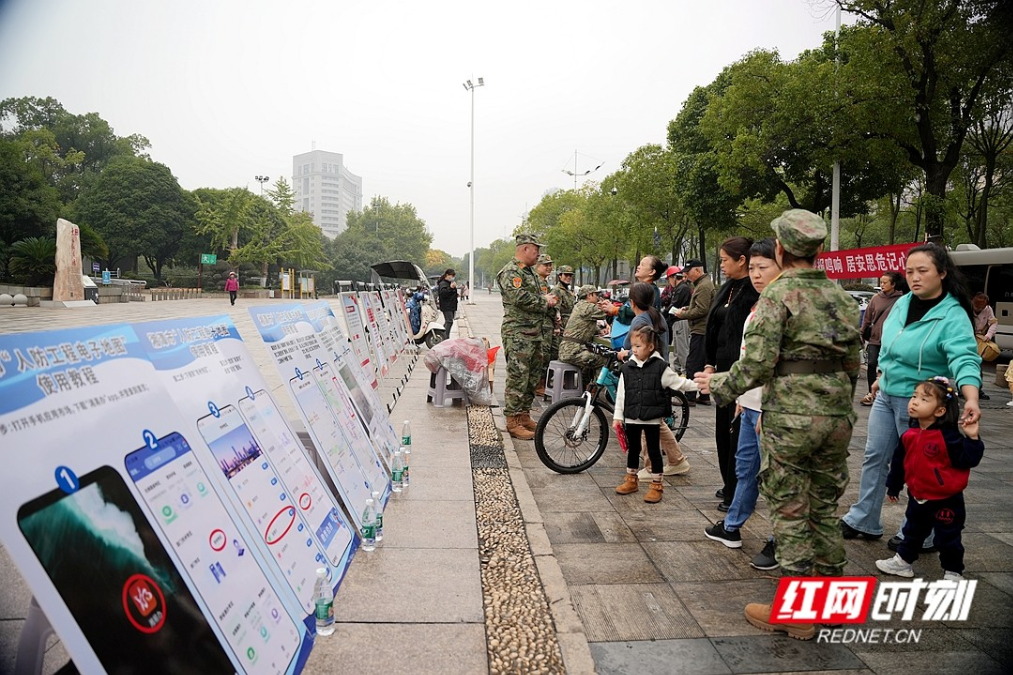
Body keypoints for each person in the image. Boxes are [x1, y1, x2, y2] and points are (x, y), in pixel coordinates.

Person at [695, 209, 861, 641]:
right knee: (824, 509)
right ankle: (835, 606)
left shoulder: (778, 295)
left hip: (790, 417)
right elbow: (853, 364)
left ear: (782, 250)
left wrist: (716, 385)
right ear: (820, 250)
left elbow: (756, 365)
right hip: (835, 417)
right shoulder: (841, 297)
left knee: (790, 510)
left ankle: (797, 613)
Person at [840, 242, 981, 553]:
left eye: (923, 271)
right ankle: (864, 518)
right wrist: (880, 378)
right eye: (909, 272)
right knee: (875, 456)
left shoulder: (952, 315)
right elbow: (889, 348)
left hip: (923, 403)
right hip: (888, 394)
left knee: (922, 467)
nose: (914, 278)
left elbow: (965, 359)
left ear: (942, 273)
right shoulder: (903, 303)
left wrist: (971, 397)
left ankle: (924, 531)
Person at [703, 238, 780, 571]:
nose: (757, 274)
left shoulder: (785, 306)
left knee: (776, 478)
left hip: (770, 406)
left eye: (764, 268)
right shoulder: (756, 303)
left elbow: (776, 364)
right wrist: (744, 397)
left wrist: (765, 404)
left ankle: (781, 542)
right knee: (744, 466)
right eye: (753, 268)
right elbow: (749, 355)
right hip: (747, 399)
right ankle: (732, 526)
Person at [875, 376, 983, 580]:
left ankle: (953, 571)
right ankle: (903, 563)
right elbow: (899, 463)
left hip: (946, 500)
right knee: (912, 531)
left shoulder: (948, 437)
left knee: (948, 537)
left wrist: (973, 438)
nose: (914, 401)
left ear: (940, 411)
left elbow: (968, 459)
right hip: (918, 496)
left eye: (924, 399)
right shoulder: (910, 435)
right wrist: (893, 486)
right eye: (914, 396)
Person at [613, 325, 698, 504]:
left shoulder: (661, 368)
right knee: (633, 449)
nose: (634, 350)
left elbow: (679, 383)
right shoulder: (627, 368)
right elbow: (622, 394)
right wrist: (618, 417)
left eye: (638, 346)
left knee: (653, 451)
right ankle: (631, 480)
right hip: (632, 416)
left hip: (652, 418)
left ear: (650, 347)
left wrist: (700, 385)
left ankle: (656, 485)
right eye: (633, 346)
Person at [703, 237, 759, 511]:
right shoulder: (727, 288)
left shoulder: (754, 292)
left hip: (742, 373)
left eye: (726, 260)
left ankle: (737, 491)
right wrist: (709, 362)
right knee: (722, 432)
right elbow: (713, 329)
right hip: (721, 370)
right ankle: (729, 483)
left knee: (737, 433)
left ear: (742, 260)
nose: (722, 264)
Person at [498, 234, 558, 440]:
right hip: (518, 334)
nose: (538, 253)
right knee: (518, 377)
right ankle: (512, 421)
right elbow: (519, 297)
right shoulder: (511, 271)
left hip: (534, 333)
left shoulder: (530, 272)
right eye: (536, 249)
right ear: (524, 249)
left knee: (532, 377)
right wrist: (545, 301)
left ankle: (524, 415)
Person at [860, 272, 907, 405]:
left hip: (893, 341)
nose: (882, 285)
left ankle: (886, 392)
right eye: (881, 282)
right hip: (875, 338)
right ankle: (871, 392)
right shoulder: (875, 298)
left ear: (893, 284)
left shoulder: (902, 300)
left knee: (887, 366)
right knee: (871, 364)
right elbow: (868, 317)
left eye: (885, 282)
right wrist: (862, 332)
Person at [673, 259, 716, 405]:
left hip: (701, 330)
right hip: (702, 329)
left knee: (693, 363)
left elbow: (702, 309)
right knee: (702, 363)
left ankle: (689, 397)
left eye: (688, 272)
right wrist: (688, 309)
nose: (686, 275)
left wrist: (683, 314)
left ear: (697, 270)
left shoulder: (703, 286)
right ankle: (704, 396)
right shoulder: (703, 284)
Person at [559, 285, 611, 385]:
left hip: (567, 349)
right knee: (605, 360)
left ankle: (584, 386)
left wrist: (599, 330)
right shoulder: (588, 307)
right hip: (573, 351)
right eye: (596, 295)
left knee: (592, 359)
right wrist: (609, 305)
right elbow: (608, 312)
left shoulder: (579, 306)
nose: (598, 298)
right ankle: (597, 389)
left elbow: (584, 324)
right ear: (589, 295)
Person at [534, 254, 558, 397]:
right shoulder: (539, 283)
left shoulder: (545, 283)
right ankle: (539, 384)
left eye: (550, 265)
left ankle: (543, 382)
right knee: (543, 354)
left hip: (548, 323)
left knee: (548, 353)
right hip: (542, 324)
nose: (549, 267)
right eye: (545, 265)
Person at [661, 266, 691, 373]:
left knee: (682, 349)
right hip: (676, 322)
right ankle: (679, 370)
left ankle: (685, 371)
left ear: (674, 277)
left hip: (680, 321)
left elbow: (674, 305)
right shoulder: (679, 288)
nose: (669, 282)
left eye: (669, 279)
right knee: (677, 350)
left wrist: (663, 315)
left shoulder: (682, 288)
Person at [549, 265, 577, 362]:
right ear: (560, 276)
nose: (568, 277)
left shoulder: (569, 292)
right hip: (560, 330)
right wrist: (557, 327)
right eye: (566, 275)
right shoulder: (557, 291)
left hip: (568, 328)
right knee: (558, 356)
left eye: (570, 275)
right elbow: (555, 310)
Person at [972, 292, 999, 373]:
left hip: (980, 336)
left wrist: (989, 335)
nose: (978, 309)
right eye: (977, 307)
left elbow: (993, 322)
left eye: (981, 308)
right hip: (967, 334)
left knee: (977, 359)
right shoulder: (966, 307)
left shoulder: (988, 309)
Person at [437, 269, 459, 339]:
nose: (452, 277)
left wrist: (455, 293)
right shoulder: (443, 283)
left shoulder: (449, 283)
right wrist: (451, 288)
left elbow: (450, 292)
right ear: (447, 275)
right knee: (449, 321)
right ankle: (445, 337)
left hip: (451, 305)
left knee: (448, 321)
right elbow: (443, 294)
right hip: (446, 306)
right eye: (451, 276)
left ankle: (442, 335)